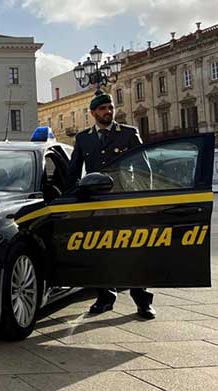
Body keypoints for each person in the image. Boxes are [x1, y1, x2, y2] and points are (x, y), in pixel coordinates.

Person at [65, 90, 155, 320]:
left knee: (133, 250)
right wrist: (69, 198)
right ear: (93, 112)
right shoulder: (83, 138)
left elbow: (145, 169)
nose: (108, 112)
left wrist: (149, 199)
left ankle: (143, 301)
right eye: (103, 109)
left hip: (125, 201)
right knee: (100, 250)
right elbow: (74, 171)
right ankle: (105, 297)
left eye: (110, 108)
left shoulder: (128, 134)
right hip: (96, 202)